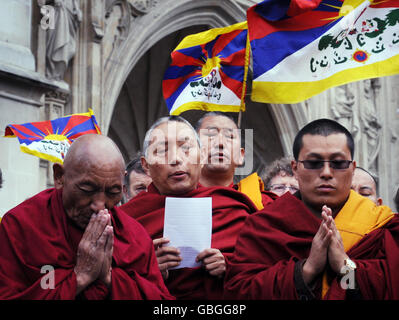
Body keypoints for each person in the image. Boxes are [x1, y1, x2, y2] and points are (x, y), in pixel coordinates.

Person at [224, 118, 399, 300]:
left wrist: (344, 266)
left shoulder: (380, 225)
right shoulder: (264, 225)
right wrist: (307, 270)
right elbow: (240, 293)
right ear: (296, 169)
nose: (326, 172)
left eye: (338, 163)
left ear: (352, 169)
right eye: (313, 163)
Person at [0, 134, 173, 300]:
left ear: (122, 183)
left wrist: (110, 278)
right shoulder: (21, 225)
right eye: (87, 190)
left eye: (113, 192)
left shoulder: (134, 235)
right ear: (60, 176)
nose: (99, 205)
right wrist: (80, 277)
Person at [120, 116, 258, 299]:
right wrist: (145, 268)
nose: (176, 159)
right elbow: (108, 279)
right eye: (162, 150)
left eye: (186, 148)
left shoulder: (231, 207)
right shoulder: (127, 219)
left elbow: (262, 270)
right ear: (146, 166)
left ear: (201, 157)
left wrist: (228, 266)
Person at [195, 112, 275, 210]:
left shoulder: (261, 203)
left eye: (230, 136)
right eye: (211, 135)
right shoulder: (176, 199)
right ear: (193, 149)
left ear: (241, 156)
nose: (220, 143)